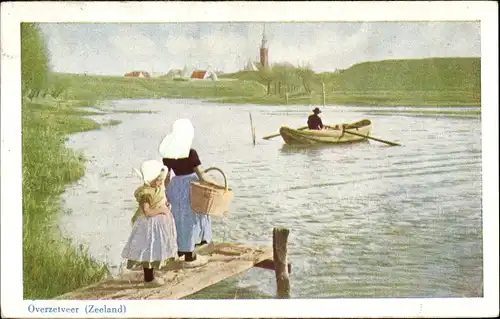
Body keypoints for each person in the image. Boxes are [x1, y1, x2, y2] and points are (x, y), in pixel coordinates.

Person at [159, 118, 213, 267]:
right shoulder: (191, 152)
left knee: (179, 219)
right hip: (191, 186)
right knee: (194, 218)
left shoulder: (168, 155)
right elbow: (201, 174)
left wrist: (166, 194)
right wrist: (214, 184)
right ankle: (191, 255)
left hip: (175, 187)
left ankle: (181, 251)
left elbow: (166, 177)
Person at [121, 160, 178, 287]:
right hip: (148, 225)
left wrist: (165, 205)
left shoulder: (156, 188)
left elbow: (159, 200)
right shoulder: (145, 194)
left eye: (161, 180)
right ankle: (148, 279)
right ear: (150, 178)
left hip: (157, 225)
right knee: (148, 249)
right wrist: (161, 210)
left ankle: (152, 274)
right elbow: (147, 211)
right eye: (158, 179)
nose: (160, 182)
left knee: (156, 248)